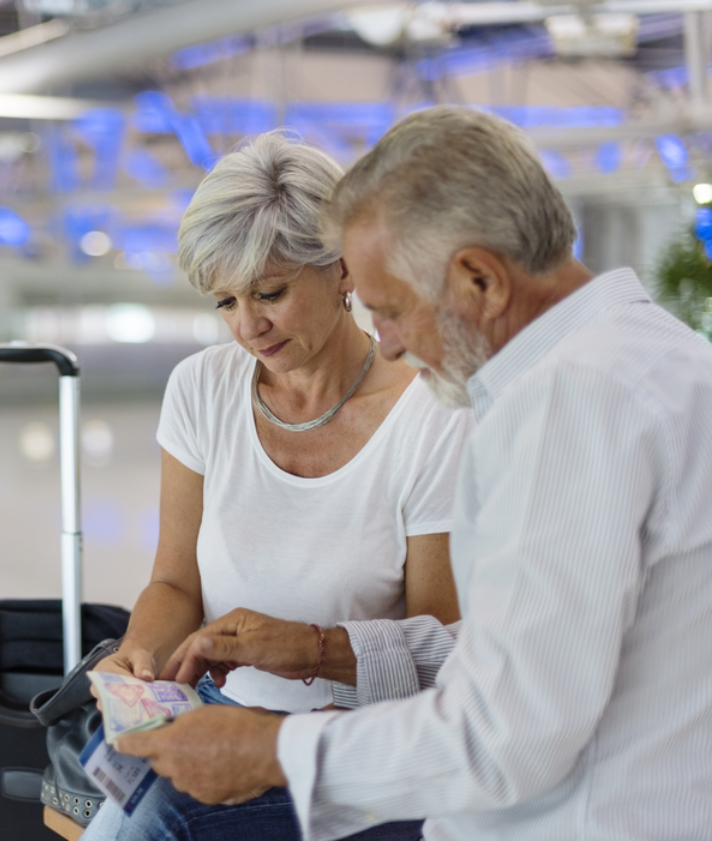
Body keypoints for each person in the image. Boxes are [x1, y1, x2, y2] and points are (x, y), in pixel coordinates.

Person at [116, 106, 712, 841]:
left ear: (478, 280)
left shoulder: (565, 406)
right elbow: (517, 647)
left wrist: (275, 752)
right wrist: (317, 648)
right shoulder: (657, 356)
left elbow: (501, 735)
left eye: (392, 310)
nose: (391, 345)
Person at [83, 130, 472, 840]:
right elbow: (174, 584)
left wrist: (312, 659)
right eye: (224, 303)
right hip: (217, 712)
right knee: (117, 804)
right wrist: (141, 657)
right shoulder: (202, 389)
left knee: (154, 823)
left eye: (269, 292)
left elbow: (438, 649)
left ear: (343, 269)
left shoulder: (433, 416)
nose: (247, 327)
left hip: (356, 743)